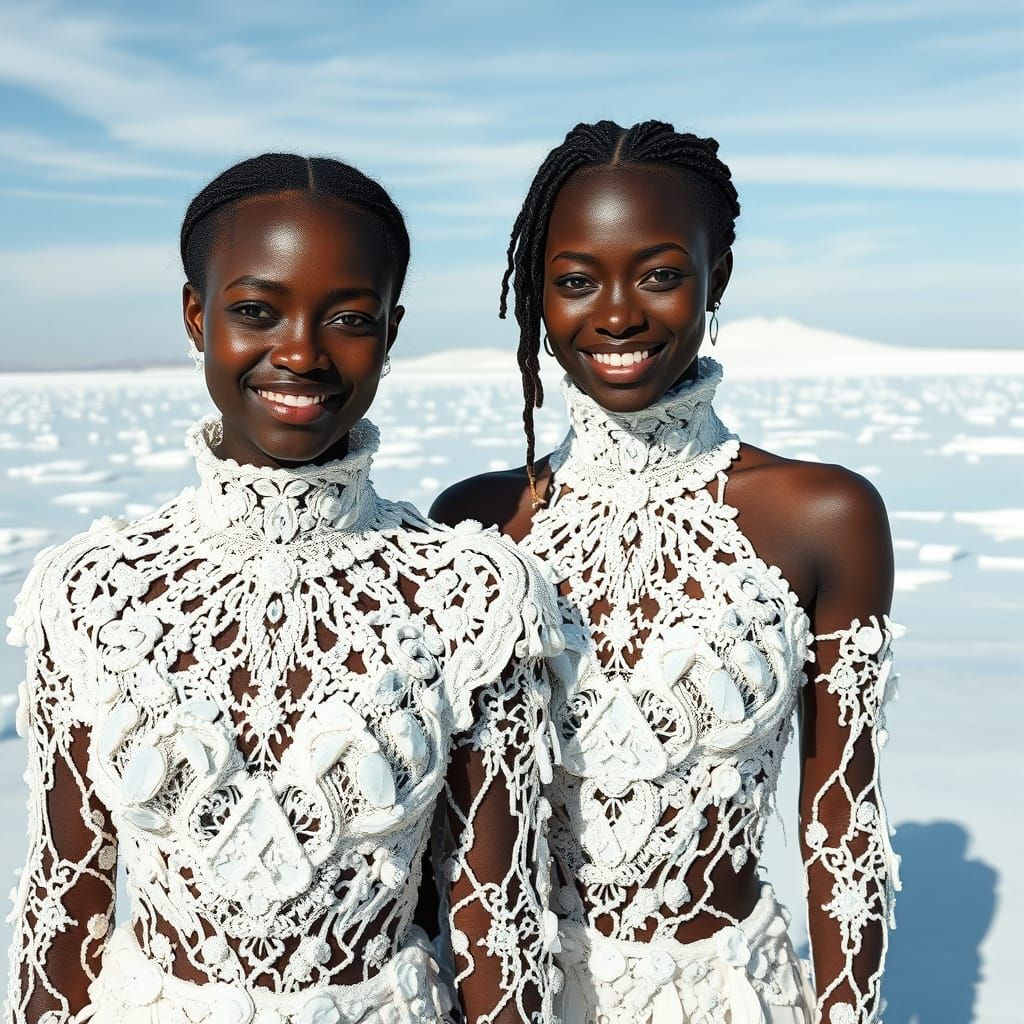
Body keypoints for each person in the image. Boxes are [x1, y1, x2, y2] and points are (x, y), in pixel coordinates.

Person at [6, 153, 563, 1024]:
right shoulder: (91, 593)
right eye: (256, 311)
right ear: (198, 316)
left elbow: (496, 922)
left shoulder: (476, 594)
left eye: (347, 317)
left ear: (391, 329)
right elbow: (66, 902)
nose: (300, 353)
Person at [432, 121, 901, 1024]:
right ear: (538, 292)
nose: (616, 314)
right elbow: (444, 837)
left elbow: (846, 823)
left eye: (658, 275)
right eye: (575, 281)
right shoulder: (475, 521)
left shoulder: (822, 518)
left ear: (714, 276)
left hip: (724, 996)